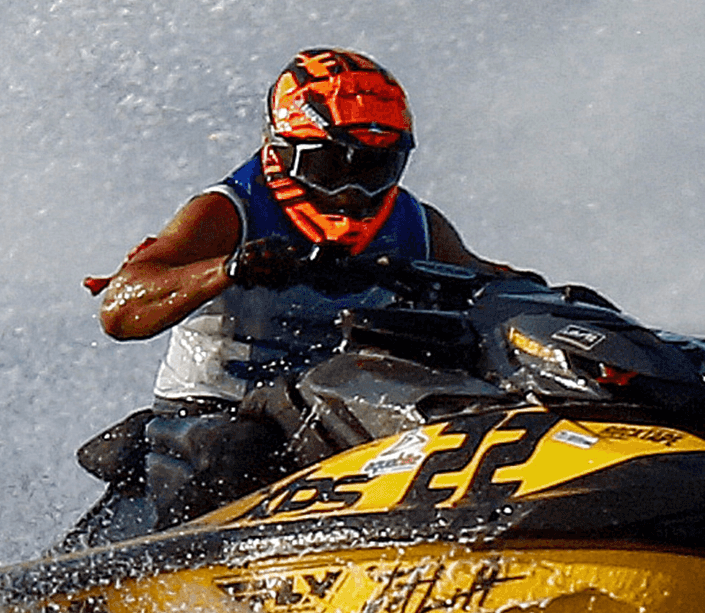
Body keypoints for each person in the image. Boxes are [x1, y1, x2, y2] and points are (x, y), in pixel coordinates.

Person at [63, 48, 528, 550]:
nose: (352, 192)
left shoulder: (418, 225)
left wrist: (548, 300)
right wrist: (230, 268)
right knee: (239, 451)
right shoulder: (227, 211)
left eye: (374, 167)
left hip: (337, 408)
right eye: (332, 166)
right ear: (284, 150)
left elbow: (488, 281)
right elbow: (120, 310)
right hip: (213, 420)